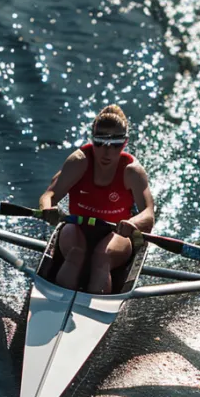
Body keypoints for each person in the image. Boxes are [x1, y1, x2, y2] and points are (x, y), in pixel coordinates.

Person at [37, 105, 155, 294]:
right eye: (100, 142)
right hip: (77, 228)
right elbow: (49, 195)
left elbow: (148, 213)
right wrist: (47, 208)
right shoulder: (78, 161)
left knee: (101, 257)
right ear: (92, 140)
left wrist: (133, 223)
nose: (106, 152)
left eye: (115, 143)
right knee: (76, 253)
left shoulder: (132, 172)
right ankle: (57, 304)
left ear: (124, 143)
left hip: (115, 234)